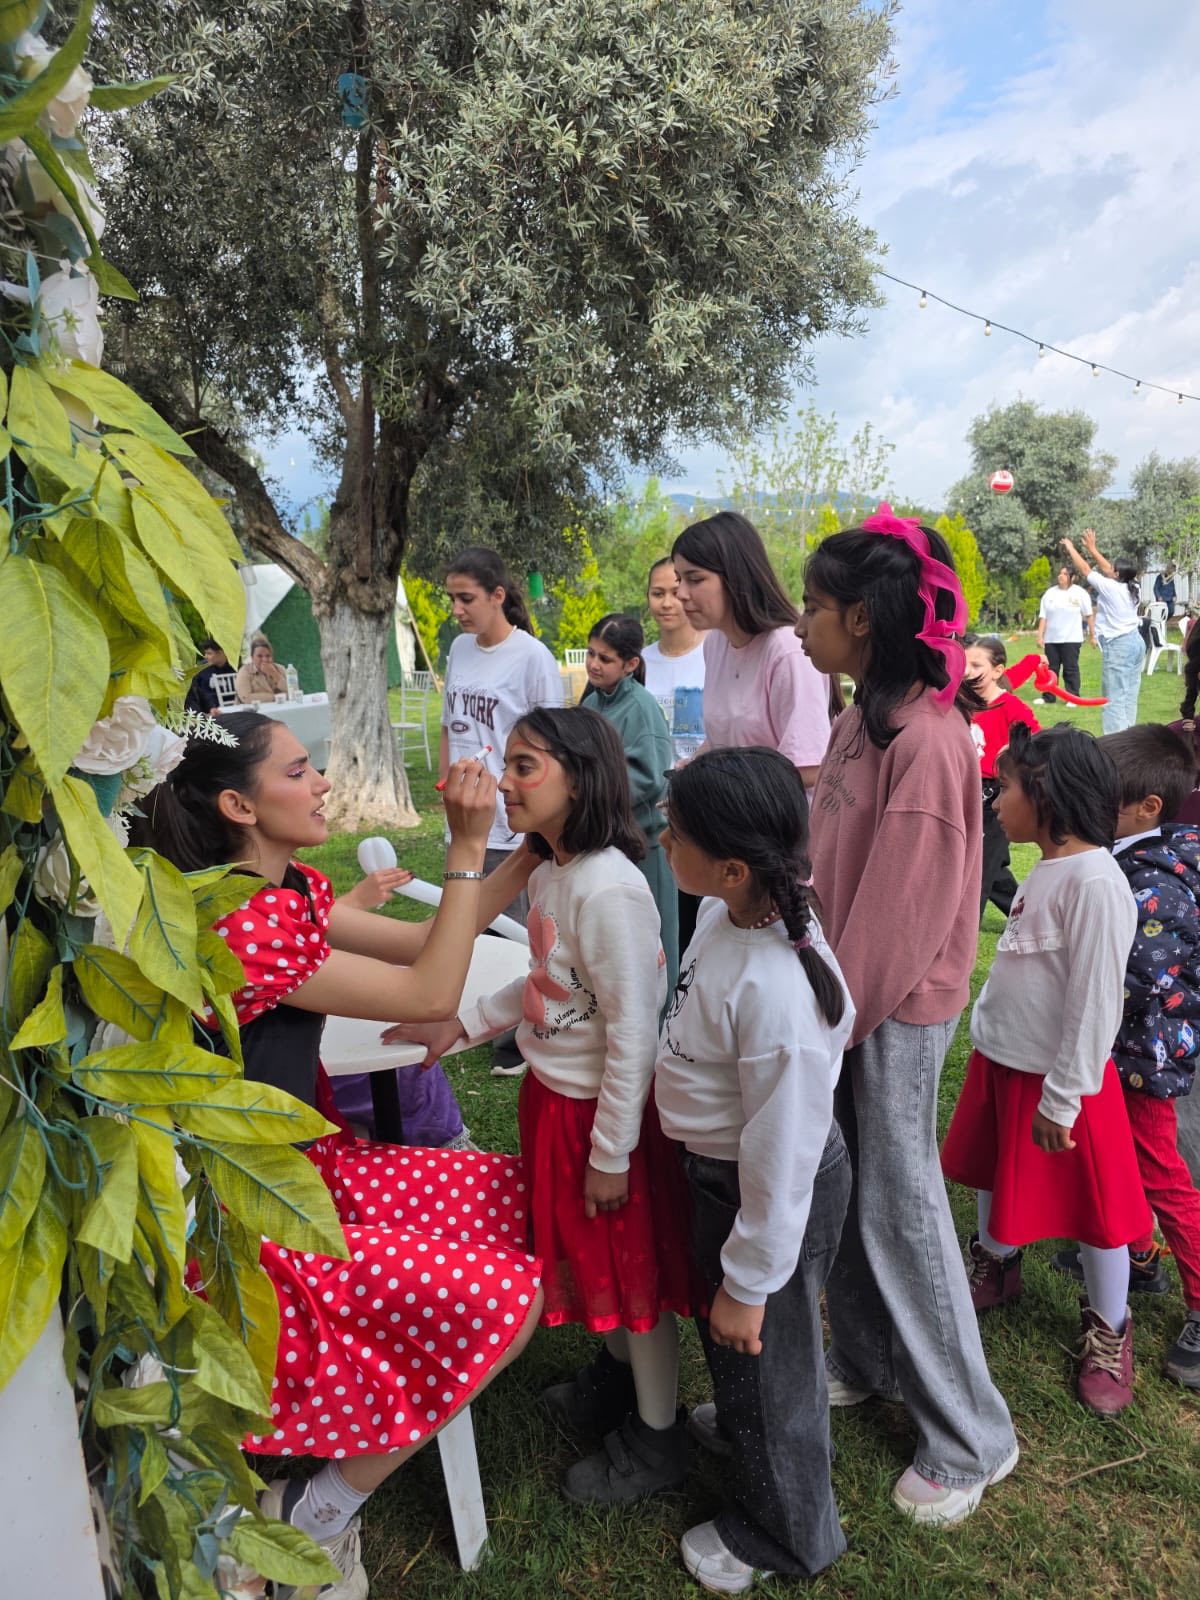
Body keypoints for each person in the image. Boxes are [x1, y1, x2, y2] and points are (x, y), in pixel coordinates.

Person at [143, 710, 544, 1598]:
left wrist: (529, 852)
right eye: (298, 771)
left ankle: (371, 1407)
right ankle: (312, 1510)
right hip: (243, 1231)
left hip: (300, 1176)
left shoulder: (283, 890)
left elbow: (432, 939)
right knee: (509, 1300)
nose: (322, 781)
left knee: (515, 1196)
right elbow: (431, 989)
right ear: (239, 806)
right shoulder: (238, 926)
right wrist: (465, 843)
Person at [394, 708, 693, 1505]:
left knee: (633, 1276)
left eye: (524, 767)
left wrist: (611, 1154)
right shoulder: (551, 871)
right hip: (556, 1105)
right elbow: (545, 984)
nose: (504, 783)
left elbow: (633, 1033)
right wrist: (461, 1025)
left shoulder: (609, 890)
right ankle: (619, 1380)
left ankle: (659, 1435)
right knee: (599, 1261)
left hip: (604, 1118)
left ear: (581, 780)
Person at [798, 507, 1017, 1526]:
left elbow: (902, 912)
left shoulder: (928, 740)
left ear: (861, 618)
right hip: (839, 999)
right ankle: (871, 1360)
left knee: (901, 1202)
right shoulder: (862, 716)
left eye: (814, 606)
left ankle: (972, 1436)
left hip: (886, 1007)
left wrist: (833, 1018)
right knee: (848, 1187)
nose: (802, 623)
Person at [655, 747, 855, 1592]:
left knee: (771, 1363)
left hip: (764, 1194)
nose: (662, 841)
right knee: (746, 1357)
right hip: (727, 1180)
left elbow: (782, 1159)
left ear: (733, 868)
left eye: (675, 834)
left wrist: (749, 1282)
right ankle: (747, 1422)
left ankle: (784, 1534)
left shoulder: (779, 995)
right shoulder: (726, 913)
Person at [941, 724, 1150, 1415]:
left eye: (1004, 788)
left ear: (1047, 796)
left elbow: (1095, 1001)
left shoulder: (1096, 883)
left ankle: (1109, 1326)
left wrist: (1063, 1098)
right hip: (1006, 1062)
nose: (995, 801)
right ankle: (997, 1263)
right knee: (994, 1169)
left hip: (1063, 1081)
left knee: (1096, 1207)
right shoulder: (1049, 868)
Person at [1049, 725, 1200, 1389]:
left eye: (1102, 800)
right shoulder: (1126, 860)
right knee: (1115, 1157)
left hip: (1144, 1057)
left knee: (1160, 1173)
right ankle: (1138, 1257)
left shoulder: (1157, 882)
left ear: (1148, 808)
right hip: (1120, 1050)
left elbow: (1134, 976)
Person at [440, 547, 563, 1075]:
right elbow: (449, 725)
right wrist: (447, 788)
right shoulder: (459, 649)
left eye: (466, 598)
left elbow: (554, 744)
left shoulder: (532, 656)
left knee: (517, 932)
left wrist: (531, 807)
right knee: (466, 922)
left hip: (509, 819)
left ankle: (517, 1041)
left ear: (497, 595)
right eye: (451, 598)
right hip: (465, 816)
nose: (457, 610)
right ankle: (475, 1018)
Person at [671, 511, 832, 788]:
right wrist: (694, 767)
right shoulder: (715, 643)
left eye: (695, 579)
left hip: (780, 815)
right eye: (679, 580)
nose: (681, 594)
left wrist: (719, 782)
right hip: (729, 813)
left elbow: (810, 768)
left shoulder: (787, 650)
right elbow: (726, 741)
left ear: (735, 577)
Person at [580, 612, 678, 986]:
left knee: (652, 950)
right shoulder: (592, 702)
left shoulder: (641, 707)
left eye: (605, 658)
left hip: (644, 848)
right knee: (615, 948)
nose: (593, 664)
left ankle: (661, 1021)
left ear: (630, 664)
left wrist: (588, 795)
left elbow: (649, 777)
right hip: (605, 844)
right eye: (591, 653)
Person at [643, 555, 707, 952]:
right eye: (657, 593)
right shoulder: (640, 662)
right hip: (648, 817)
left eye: (674, 592)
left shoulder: (713, 654)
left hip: (700, 813)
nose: (667, 603)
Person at [965, 635, 1040, 921]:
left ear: (998, 671)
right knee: (988, 864)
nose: (967, 671)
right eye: (964, 664)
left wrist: (1009, 755)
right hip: (965, 790)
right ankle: (1028, 918)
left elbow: (1035, 741)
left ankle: (963, 928)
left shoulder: (1010, 706)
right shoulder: (961, 703)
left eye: (976, 665)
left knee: (980, 865)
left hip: (996, 797)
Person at [1060, 530, 1145, 733]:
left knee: (1113, 700)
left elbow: (1085, 569)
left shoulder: (1111, 588)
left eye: (1113, 569)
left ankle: (1115, 744)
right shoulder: (1133, 586)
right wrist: (1092, 548)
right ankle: (1130, 739)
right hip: (1136, 643)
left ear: (1117, 575)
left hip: (1120, 646)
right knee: (1128, 696)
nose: (1109, 570)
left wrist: (1071, 548)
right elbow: (1108, 569)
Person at [1036, 565, 1094, 701]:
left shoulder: (1080, 593)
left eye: (1065, 574)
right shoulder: (1050, 593)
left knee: (1070, 668)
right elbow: (1043, 616)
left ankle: (1073, 697)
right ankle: (1048, 697)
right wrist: (1040, 636)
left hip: (1071, 638)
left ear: (1072, 578)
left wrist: (1093, 636)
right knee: (1051, 669)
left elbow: (1089, 615)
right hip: (1051, 639)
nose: (1060, 576)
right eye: (1060, 573)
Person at [233, 635, 289, 703]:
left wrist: (275, 674)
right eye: (259, 656)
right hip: (251, 709)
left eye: (268, 656)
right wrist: (276, 697)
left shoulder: (280, 668)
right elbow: (246, 697)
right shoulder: (245, 671)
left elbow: (291, 691)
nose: (264, 660)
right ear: (252, 657)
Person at [184, 638, 230, 715]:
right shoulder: (202, 669)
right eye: (205, 653)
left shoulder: (233, 668)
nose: (205, 656)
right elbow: (201, 693)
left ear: (220, 653)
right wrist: (211, 707)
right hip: (209, 711)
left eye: (209, 653)